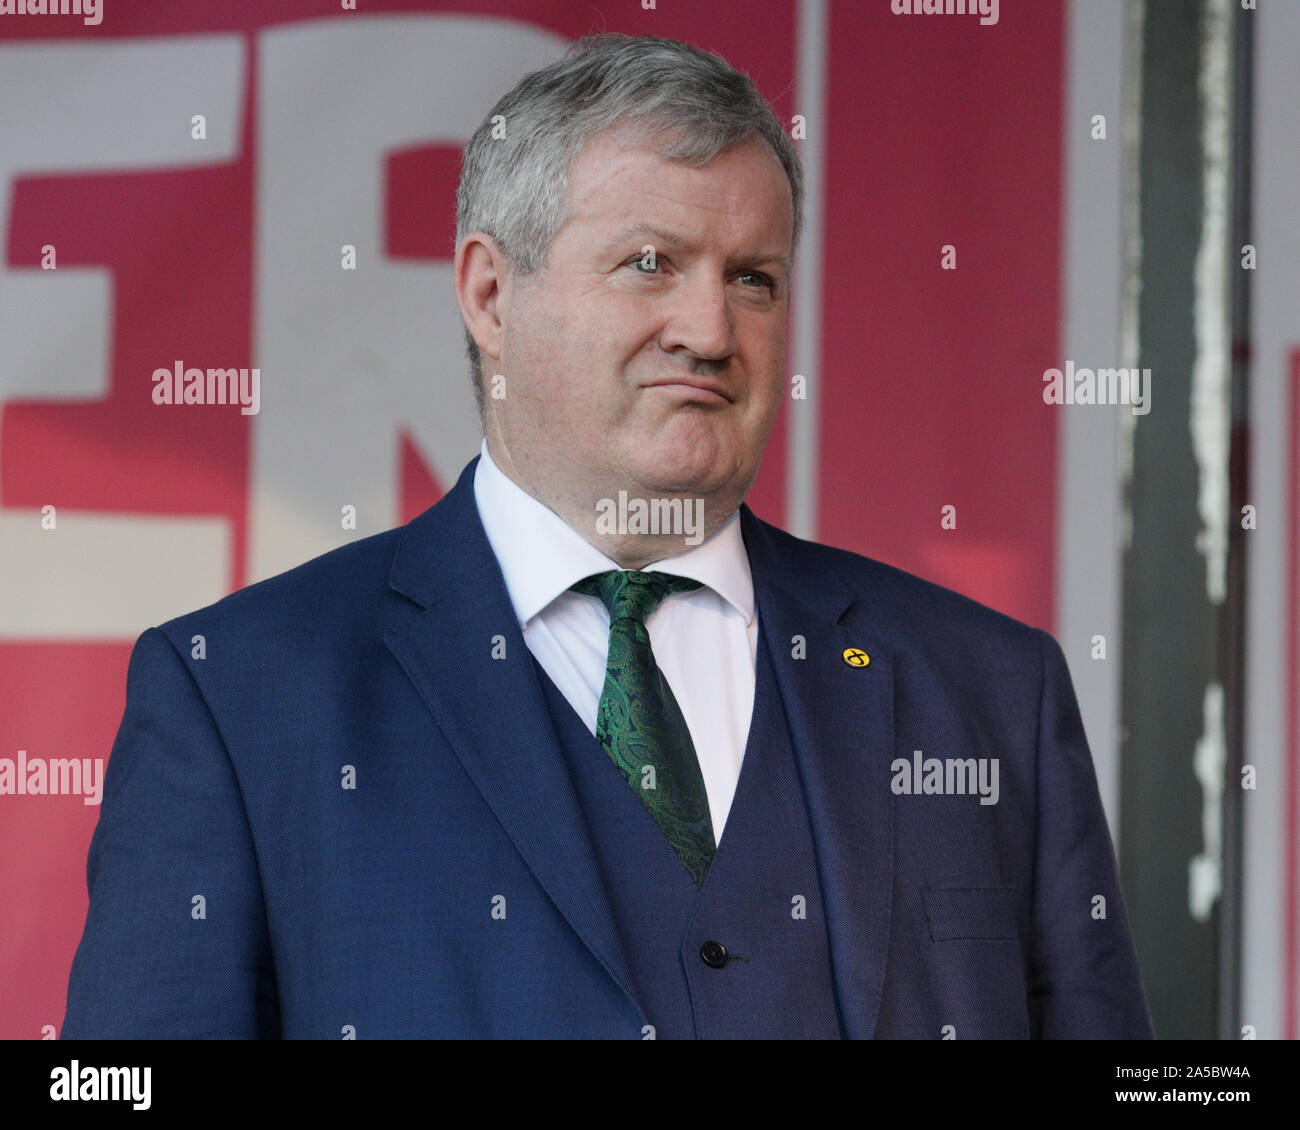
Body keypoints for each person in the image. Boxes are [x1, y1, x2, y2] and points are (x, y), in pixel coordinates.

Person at [62, 33, 1153, 1040]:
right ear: (490, 294)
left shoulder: (990, 689)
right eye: (649, 263)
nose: (711, 330)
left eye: (751, 278)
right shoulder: (240, 695)